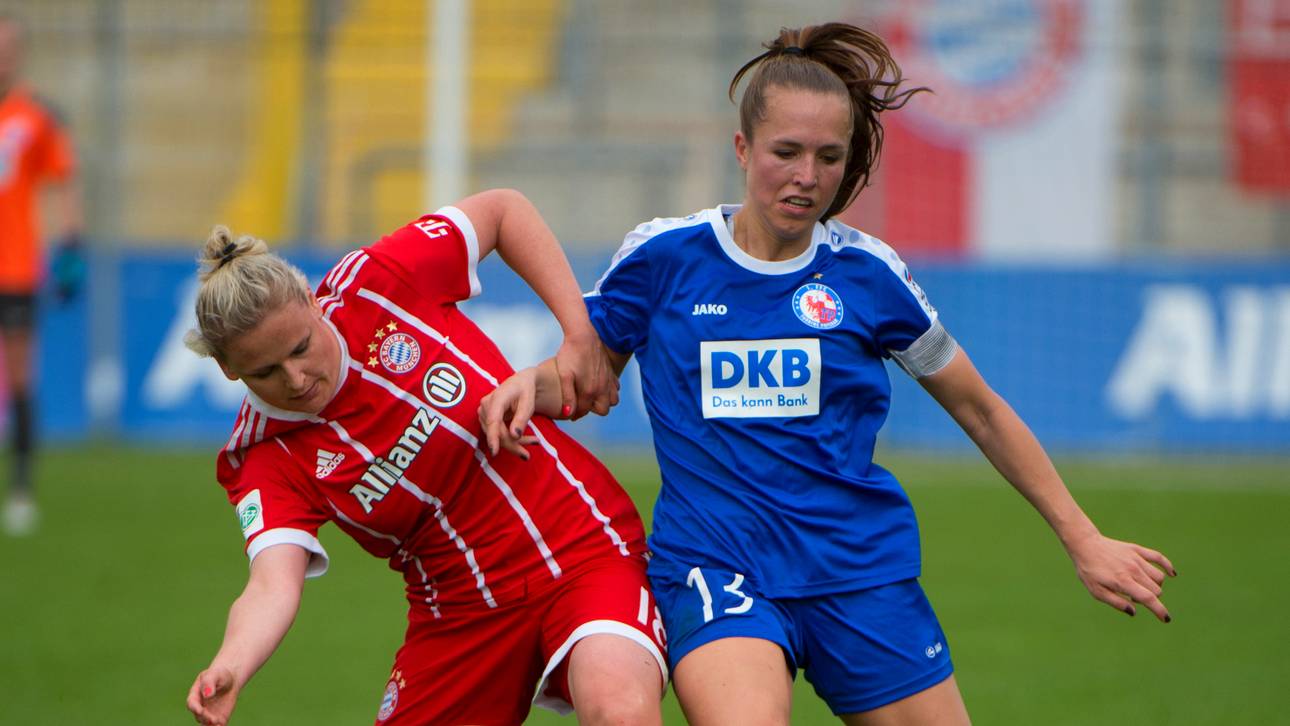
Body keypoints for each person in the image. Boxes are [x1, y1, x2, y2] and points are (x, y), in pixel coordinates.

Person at [479, 22, 1178, 726]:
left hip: (858, 570)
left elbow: (981, 410)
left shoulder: (868, 275)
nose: (807, 177)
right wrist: (525, 386)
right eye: (786, 152)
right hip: (719, 570)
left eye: (829, 157)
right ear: (743, 148)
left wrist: (1083, 538)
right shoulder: (664, 259)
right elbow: (582, 375)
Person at [183, 188, 665, 726]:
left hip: (579, 546)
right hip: (458, 614)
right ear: (230, 371)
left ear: (312, 304)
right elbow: (272, 584)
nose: (295, 379)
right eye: (265, 372)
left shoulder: (379, 281)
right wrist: (231, 664)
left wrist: (578, 336)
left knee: (616, 706)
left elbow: (504, 210)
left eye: (300, 348)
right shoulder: (261, 456)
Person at [0, 13, 83, 536]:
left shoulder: (35, 116)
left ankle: (22, 489)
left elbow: (61, 182)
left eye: (8, 47)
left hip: (12, 267)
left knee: (19, 377)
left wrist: (70, 245)